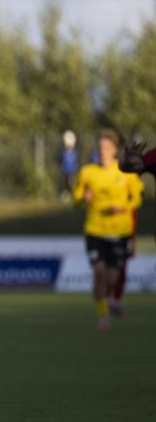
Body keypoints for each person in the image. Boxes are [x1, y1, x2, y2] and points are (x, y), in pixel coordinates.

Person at [74, 130, 144, 330]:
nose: (102, 151)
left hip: (120, 231)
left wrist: (124, 208)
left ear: (115, 150)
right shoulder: (87, 172)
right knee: (99, 273)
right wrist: (82, 200)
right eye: (100, 148)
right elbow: (76, 200)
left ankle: (108, 299)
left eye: (106, 148)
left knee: (113, 277)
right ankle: (103, 316)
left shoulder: (126, 172)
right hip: (94, 230)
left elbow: (137, 198)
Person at [59, 130, 80, 201]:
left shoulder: (75, 151)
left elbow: (77, 161)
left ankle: (74, 195)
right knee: (65, 184)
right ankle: (66, 195)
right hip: (65, 171)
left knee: (73, 184)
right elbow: (60, 159)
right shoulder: (63, 151)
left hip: (73, 171)